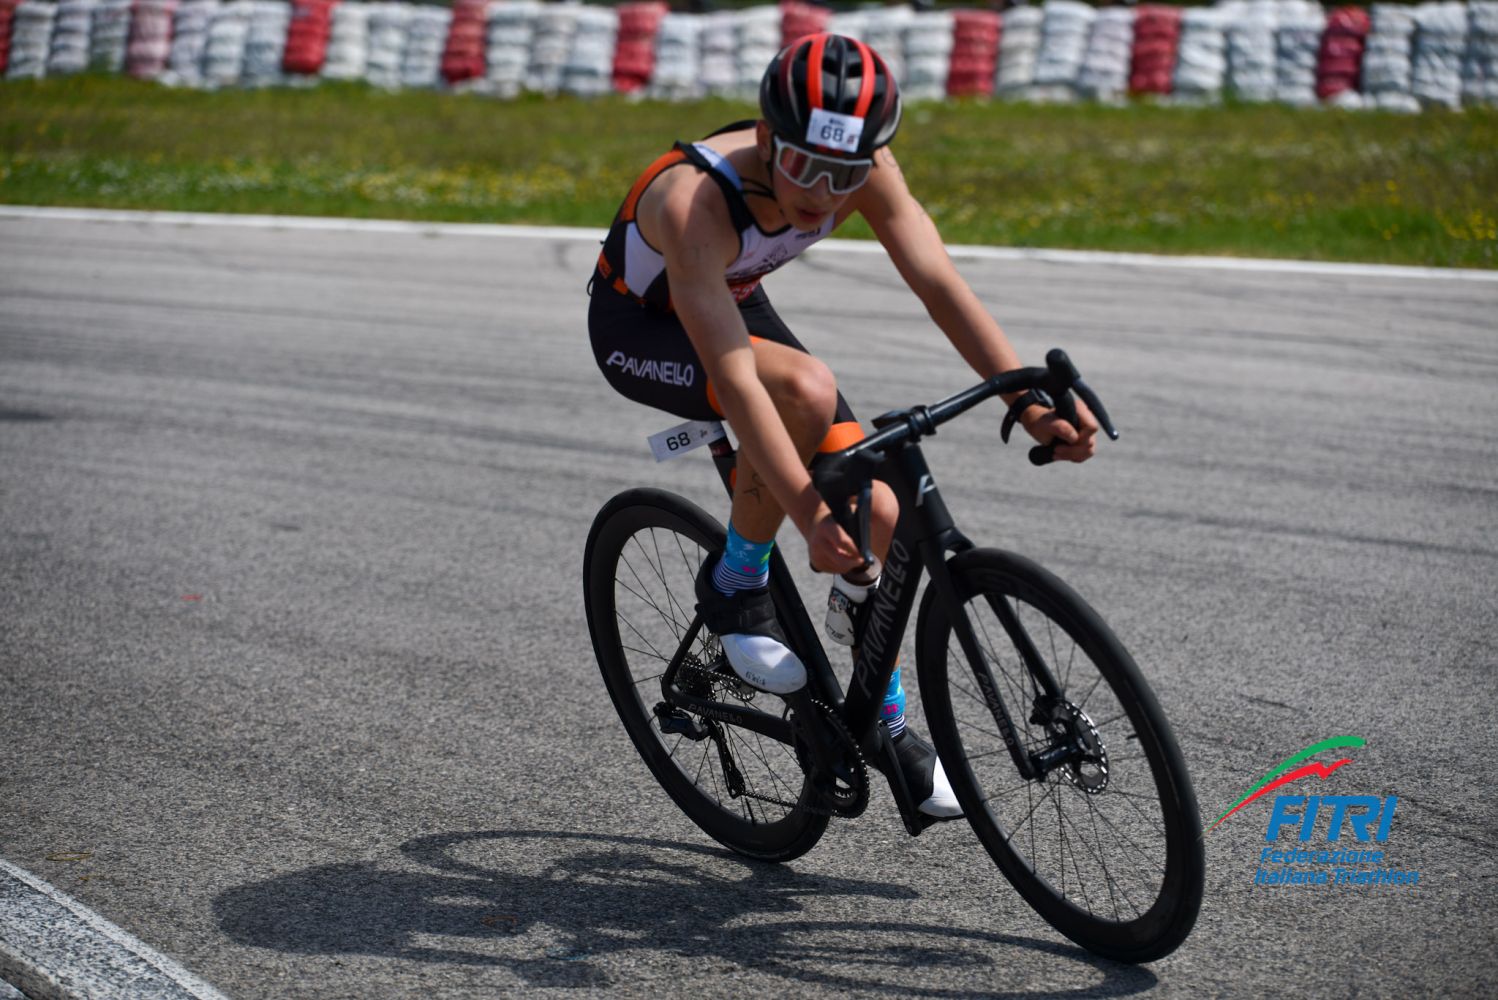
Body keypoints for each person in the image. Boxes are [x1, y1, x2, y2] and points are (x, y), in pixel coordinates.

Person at [588, 33, 1099, 818]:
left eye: (846, 174)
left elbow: (938, 282)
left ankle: (883, 721)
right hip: (642, 327)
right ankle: (735, 582)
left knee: (882, 517)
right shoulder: (693, 203)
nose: (823, 193)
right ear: (768, 140)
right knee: (801, 391)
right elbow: (737, 382)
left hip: (733, 297)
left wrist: (1028, 403)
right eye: (805, 167)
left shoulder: (863, 169)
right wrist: (804, 513)